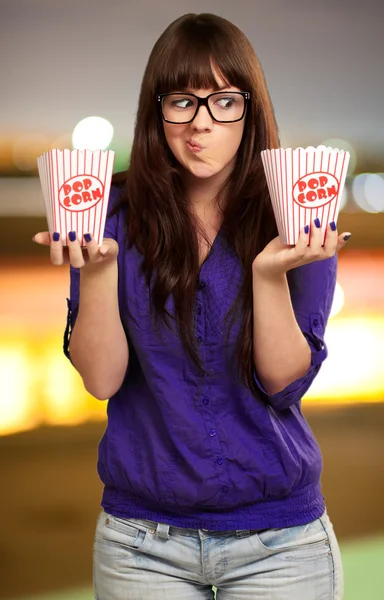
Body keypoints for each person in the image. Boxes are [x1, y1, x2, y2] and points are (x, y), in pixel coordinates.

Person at [33, 12, 349, 600]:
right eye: (181, 101)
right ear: (157, 111)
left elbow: (283, 382)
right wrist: (98, 269)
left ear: (250, 111)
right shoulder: (108, 213)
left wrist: (269, 274)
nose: (199, 126)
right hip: (141, 545)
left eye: (223, 102)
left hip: (280, 543)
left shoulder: (296, 214)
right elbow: (101, 381)